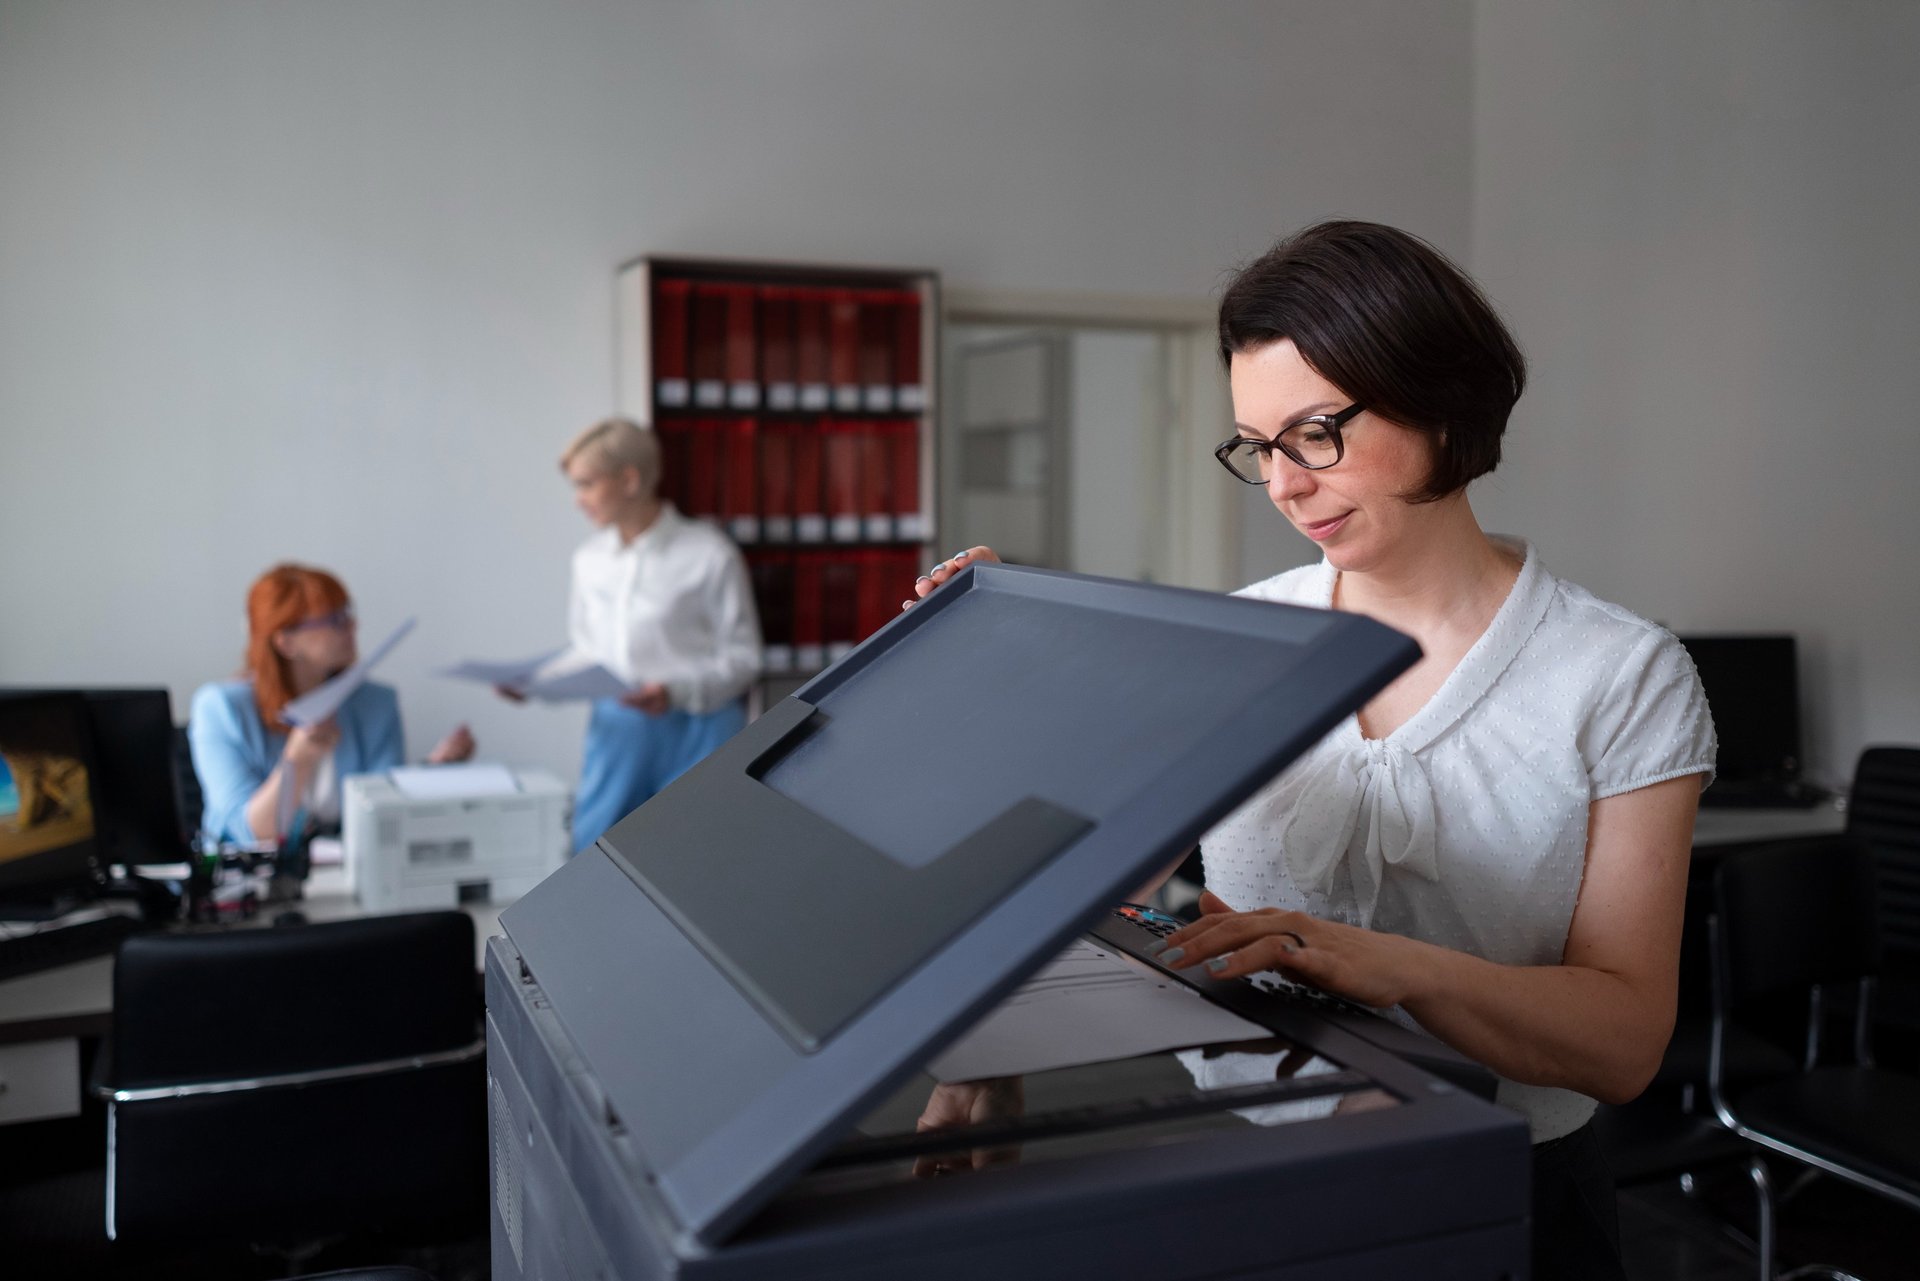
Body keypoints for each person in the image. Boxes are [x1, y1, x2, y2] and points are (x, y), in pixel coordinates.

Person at [911, 220, 1714, 1281]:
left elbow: (1621, 1044)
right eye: (1257, 446)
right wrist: (1017, 676)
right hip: (1246, 1160)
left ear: (1438, 397)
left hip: (1503, 1195)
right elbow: (1101, 890)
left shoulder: (1620, 675)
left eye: (1314, 433)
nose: (1283, 484)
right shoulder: (1244, 641)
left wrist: (1399, 968)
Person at [511, 418, 761, 853]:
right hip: (618, 733)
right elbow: (588, 650)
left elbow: (744, 658)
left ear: (629, 480)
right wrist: (536, 684)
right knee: (594, 859)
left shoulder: (709, 554)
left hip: (699, 733)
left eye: (586, 484)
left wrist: (677, 691)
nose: (578, 501)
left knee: (700, 858)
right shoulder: (589, 560)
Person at [190, 564, 474, 846]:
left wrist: (431, 771)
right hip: (249, 881)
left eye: (347, 614)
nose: (352, 626)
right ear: (286, 642)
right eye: (335, 619)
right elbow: (249, 833)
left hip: (348, 873)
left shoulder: (376, 703)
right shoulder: (220, 708)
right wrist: (297, 761)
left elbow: (385, 813)